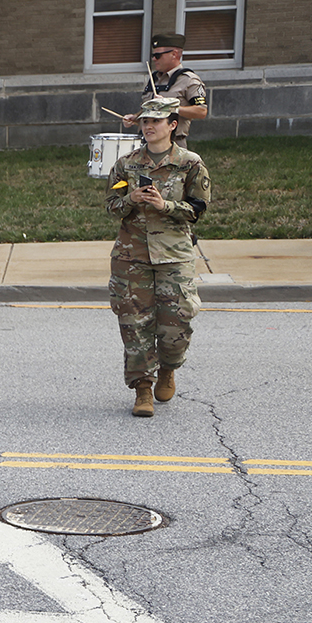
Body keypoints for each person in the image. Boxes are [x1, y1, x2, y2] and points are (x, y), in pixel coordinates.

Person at [105, 96, 212, 418]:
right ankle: (142, 389)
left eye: (155, 121)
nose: (149, 127)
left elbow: (198, 209)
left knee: (176, 325)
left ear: (172, 125)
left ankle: (168, 368)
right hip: (131, 256)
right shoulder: (126, 165)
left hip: (173, 255)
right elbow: (111, 204)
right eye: (145, 121)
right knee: (134, 325)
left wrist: (166, 206)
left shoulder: (190, 163)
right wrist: (131, 199)